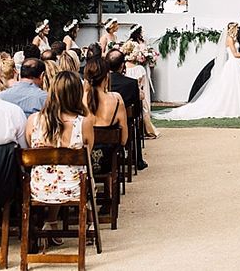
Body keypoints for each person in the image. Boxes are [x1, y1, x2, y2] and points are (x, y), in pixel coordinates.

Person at [155, 22, 240, 120]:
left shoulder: (234, 39)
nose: (238, 30)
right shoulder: (229, 39)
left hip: (237, 64)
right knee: (230, 87)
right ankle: (231, 108)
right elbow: (235, 54)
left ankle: (237, 107)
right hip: (233, 63)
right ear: (233, 29)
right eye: (236, 29)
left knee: (236, 87)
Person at [26, 70, 94, 207]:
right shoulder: (83, 123)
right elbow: (88, 153)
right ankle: (89, 219)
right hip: (73, 188)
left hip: (40, 188)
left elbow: (29, 145)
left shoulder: (33, 120)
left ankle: (51, 221)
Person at [84, 56, 129, 175]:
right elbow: (123, 139)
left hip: (83, 161)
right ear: (106, 77)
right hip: (108, 160)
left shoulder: (78, 100)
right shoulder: (116, 99)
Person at [106, 49, 149, 168]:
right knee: (135, 125)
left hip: (103, 120)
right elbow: (137, 109)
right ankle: (138, 160)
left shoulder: (102, 82)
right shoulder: (131, 83)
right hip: (126, 123)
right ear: (122, 65)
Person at [119, 42, 158, 141]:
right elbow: (142, 87)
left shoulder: (121, 68)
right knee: (143, 106)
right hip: (136, 98)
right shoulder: (139, 69)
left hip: (122, 99)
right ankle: (147, 130)